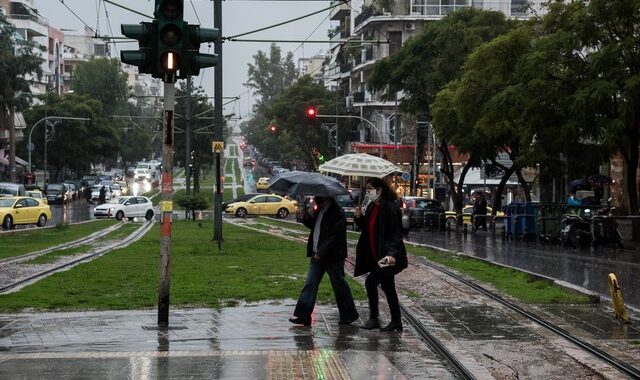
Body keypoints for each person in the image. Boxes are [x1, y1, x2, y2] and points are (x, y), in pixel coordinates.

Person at [289, 195, 359, 327]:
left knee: (339, 285)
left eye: (317, 195)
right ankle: (303, 316)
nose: (314, 198)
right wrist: (304, 215)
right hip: (318, 255)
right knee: (310, 284)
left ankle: (349, 315)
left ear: (327, 196)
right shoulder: (320, 209)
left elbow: (334, 235)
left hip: (332, 256)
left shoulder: (336, 211)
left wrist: (321, 252)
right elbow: (314, 226)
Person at [353, 178, 407, 332]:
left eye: (370, 189)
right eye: (367, 189)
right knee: (388, 287)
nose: (367, 192)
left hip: (387, 257)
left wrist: (392, 255)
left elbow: (396, 235)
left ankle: (374, 318)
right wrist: (358, 217)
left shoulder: (391, 208)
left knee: (371, 281)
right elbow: (366, 228)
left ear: (379, 190)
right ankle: (396, 321)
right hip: (375, 255)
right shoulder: (372, 207)